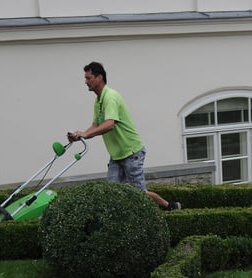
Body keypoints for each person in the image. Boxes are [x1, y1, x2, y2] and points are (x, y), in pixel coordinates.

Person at [67, 61, 181, 211]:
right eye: (86, 78)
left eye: (89, 78)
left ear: (99, 77)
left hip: (131, 152)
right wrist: (80, 135)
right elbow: (95, 125)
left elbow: (109, 124)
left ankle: (170, 206)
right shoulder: (98, 101)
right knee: (111, 192)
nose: (86, 82)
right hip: (117, 155)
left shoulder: (110, 97)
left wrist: (86, 134)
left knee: (139, 193)